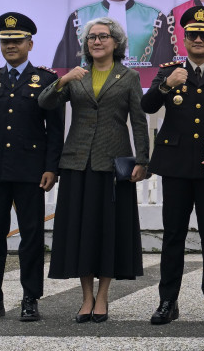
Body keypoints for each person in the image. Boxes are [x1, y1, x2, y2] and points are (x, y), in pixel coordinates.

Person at [39, 17, 149, 323]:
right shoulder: (77, 75)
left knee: (108, 232)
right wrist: (62, 80)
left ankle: (103, 297)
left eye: (103, 37)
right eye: (91, 38)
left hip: (112, 166)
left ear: (116, 43)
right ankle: (86, 297)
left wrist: (143, 161)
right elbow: (45, 103)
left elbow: (139, 122)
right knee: (80, 232)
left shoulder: (128, 77)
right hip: (77, 163)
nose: (97, 42)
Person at [0, 13, 64, 322]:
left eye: (17, 40)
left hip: (31, 169)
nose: (10, 45)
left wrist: (51, 168)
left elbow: (55, 130)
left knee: (31, 235)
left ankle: (30, 298)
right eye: (5, 41)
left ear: (30, 44)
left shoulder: (45, 80)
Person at [143, 6, 204, 325]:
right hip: (175, 166)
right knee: (173, 236)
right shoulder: (169, 72)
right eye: (193, 34)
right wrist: (165, 84)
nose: (198, 39)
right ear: (183, 39)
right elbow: (147, 106)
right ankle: (167, 301)